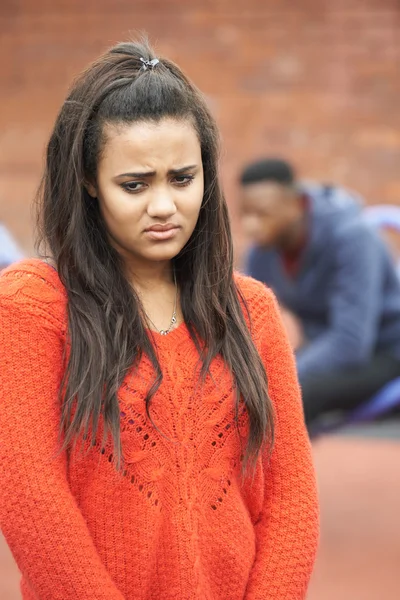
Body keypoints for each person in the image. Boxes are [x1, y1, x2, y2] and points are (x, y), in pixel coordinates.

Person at [0, 42, 318, 600]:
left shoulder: (250, 311)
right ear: (88, 182)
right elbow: (29, 496)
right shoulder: (33, 305)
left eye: (182, 178)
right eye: (135, 184)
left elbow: (292, 494)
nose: (165, 205)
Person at [239, 158, 400, 429]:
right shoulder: (261, 253)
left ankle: (287, 471)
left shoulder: (354, 238)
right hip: (334, 348)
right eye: (245, 213)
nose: (251, 225)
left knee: (295, 393)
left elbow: (351, 342)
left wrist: (283, 374)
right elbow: (247, 322)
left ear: (296, 205)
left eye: (262, 213)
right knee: (247, 390)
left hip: (386, 352)